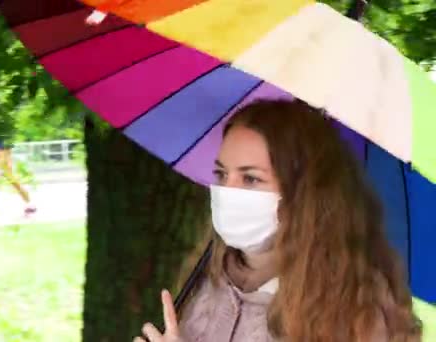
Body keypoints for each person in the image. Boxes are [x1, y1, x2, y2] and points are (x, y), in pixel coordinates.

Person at [134, 100, 421, 341]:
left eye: (250, 178)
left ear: (303, 194)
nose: (227, 192)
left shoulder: (356, 311)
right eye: (222, 174)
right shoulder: (205, 280)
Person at [0, 136, 36, 216]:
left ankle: (29, 204)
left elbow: (6, 152)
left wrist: (2, 165)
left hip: (0, 161)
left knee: (14, 183)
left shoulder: (3, 134)